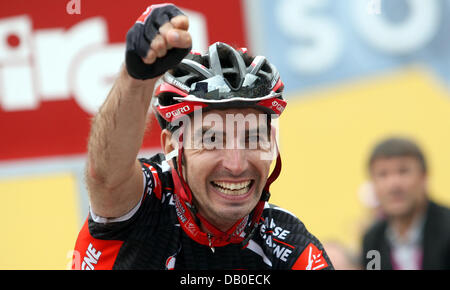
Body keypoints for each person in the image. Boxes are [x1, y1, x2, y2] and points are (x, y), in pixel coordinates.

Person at [72, 3, 333, 270]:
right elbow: (106, 179)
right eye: (211, 140)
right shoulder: (147, 202)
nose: (236, 165)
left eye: (253, 139)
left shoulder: (289, 245)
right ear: (172, 146)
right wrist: (136, 78)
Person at [361, 137, 450, 270]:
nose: (394, 185)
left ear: (424, 177)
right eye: (383, 174)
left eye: (403, 172)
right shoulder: (372, 240)